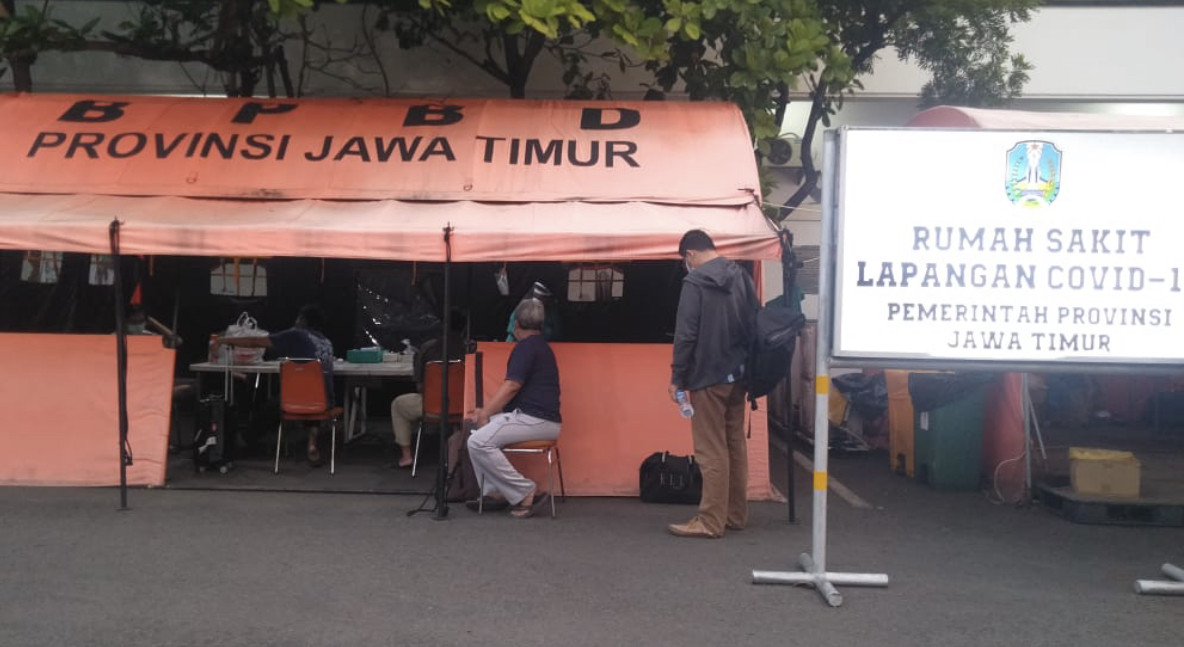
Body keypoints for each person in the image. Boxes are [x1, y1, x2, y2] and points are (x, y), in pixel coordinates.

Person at [667, 229, 757, 539]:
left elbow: (686, 334)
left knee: (710, 449)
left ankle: (709, 521)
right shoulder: (741, 276)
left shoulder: (695, 283)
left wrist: (677, 377)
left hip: (707, 375)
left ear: (689, 255)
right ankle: (735, 514)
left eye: (684, 261)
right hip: (739, 374)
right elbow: (753, 321)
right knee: (734, 445)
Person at [468, 298, 561, 518]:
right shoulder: (541, 346)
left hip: (534, 420)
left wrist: (486, 412)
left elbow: (511, 386)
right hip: (542, 420)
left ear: (516, 323)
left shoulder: (525, 348)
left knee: (477, 441)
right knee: (477, 434)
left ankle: (523, 490)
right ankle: (495, 492)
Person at [212, 304, 335, 466]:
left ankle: (246, 440)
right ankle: (311, 443)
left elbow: (254, 341)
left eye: (298, 317)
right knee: (309, 398)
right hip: (325, 402)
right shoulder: (326, 342)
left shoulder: (296, 334)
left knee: (273, 406)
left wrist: (222, 340)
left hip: (299, 402)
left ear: (303, 320)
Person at [389, 310, 470, 468]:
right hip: (465, 408)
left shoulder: (427, 348)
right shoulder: (471, 349)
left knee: (398, 404)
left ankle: (406, 456)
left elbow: (419, 385)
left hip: (432, 408)